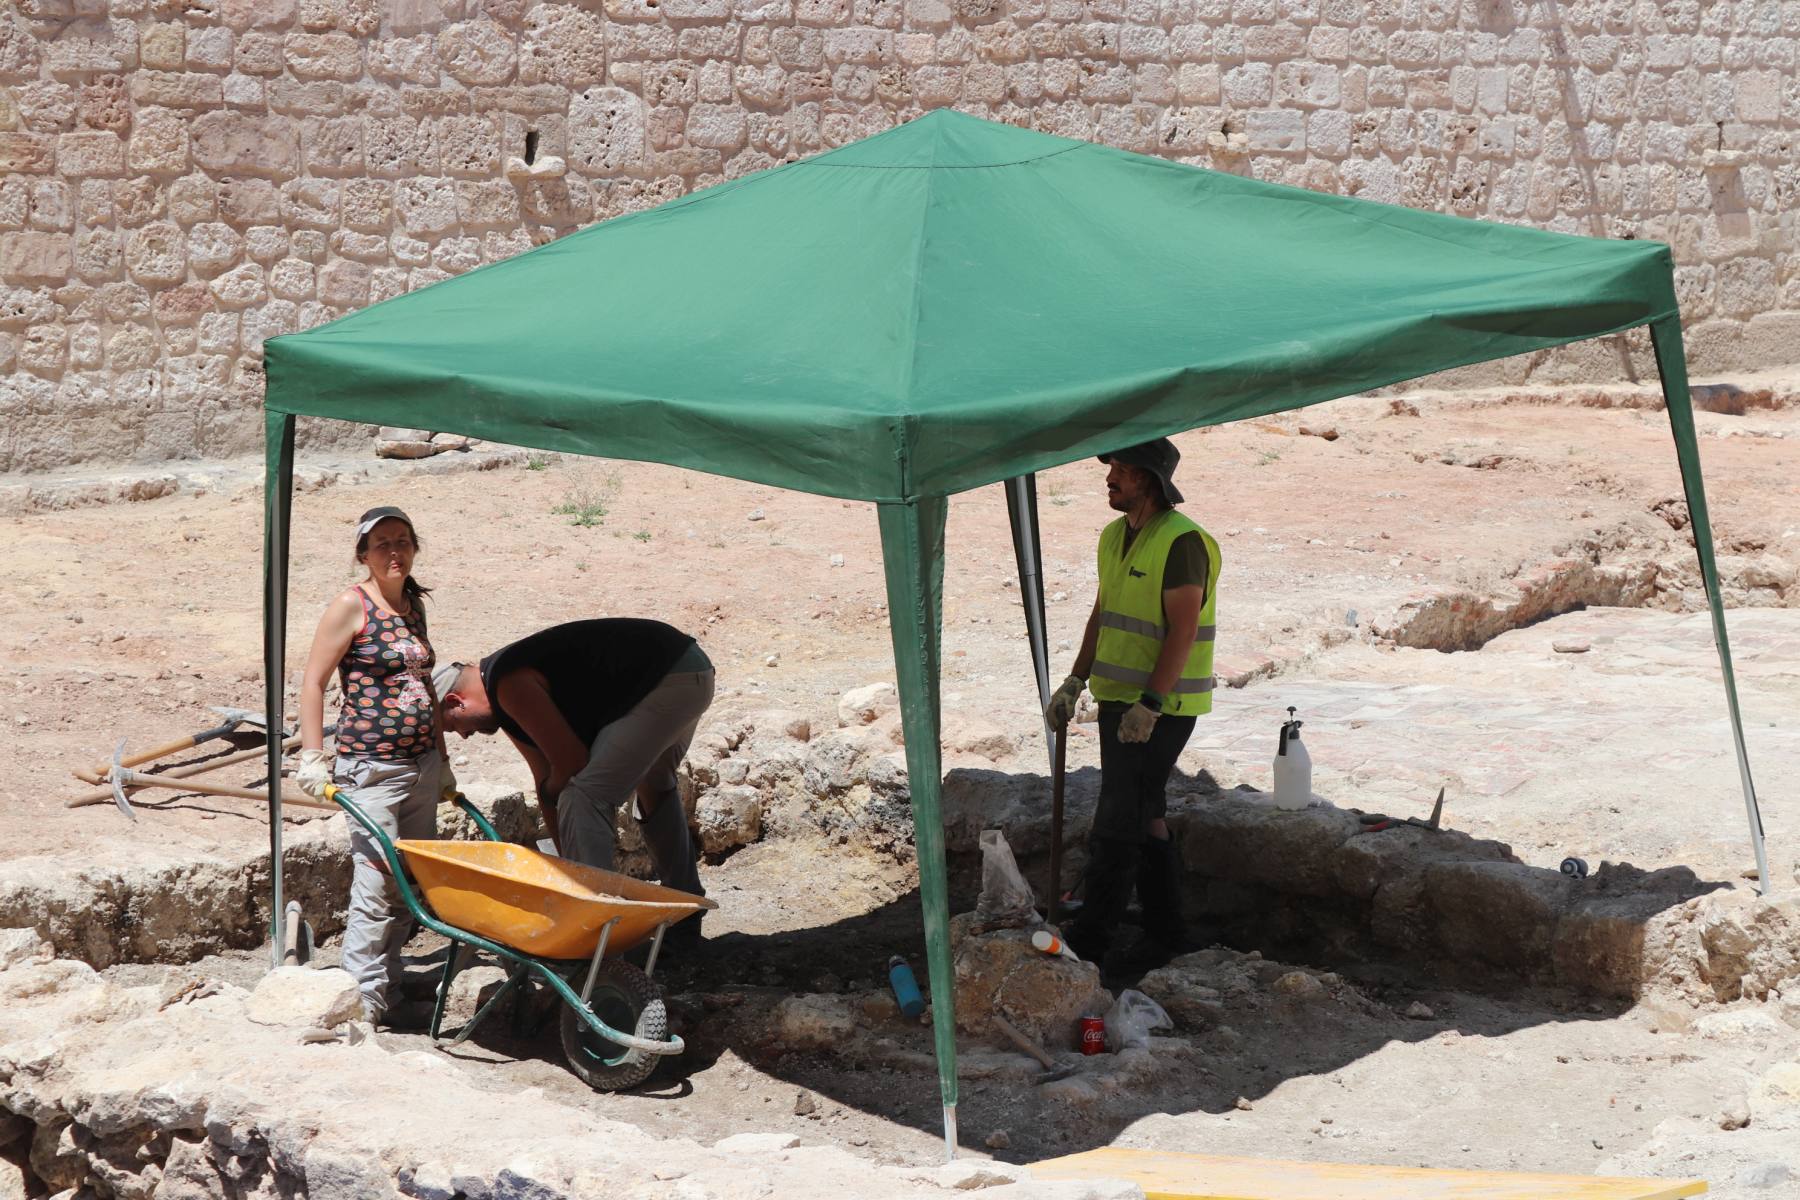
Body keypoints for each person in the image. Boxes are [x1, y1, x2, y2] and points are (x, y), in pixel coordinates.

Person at [1045, 438, 1220, 969]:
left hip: (1161, 707)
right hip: (1119, 700)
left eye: (1121, 469)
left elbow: (1183, 629)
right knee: (1145, 812)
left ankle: (1093, 942)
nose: (1110, 477)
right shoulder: (1113, 536)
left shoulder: (1182, 542)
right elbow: (1104, 614)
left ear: (1148, 478)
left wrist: (1151, 703)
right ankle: (1168, 933)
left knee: (1119, 817)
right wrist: (1075, 679)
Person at [432, 619, 712, 944]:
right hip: (690, 671)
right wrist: (567, 865)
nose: (464, 736)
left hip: (670, 680)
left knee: (584, 794)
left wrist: (558, 804)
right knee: (654, 782)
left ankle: (595, 931)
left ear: (455, 701)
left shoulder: (509, 683)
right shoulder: (504, 686)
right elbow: (544, 779)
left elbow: (570, 765)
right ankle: (686, 913)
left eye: (452, 727)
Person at [294, 506, 451, 1025]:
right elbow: (314, 681)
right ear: (363, 554)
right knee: (376, 881)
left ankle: (392, 986)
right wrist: (313, 757)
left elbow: (424, 686)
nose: (394, 552)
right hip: (372, 769)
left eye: (403, 541)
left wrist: (443, 761)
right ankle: (359, 1001)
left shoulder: (413, 606)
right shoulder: (351, 605)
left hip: (421, 765)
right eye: (382, 543)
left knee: (409, 880)